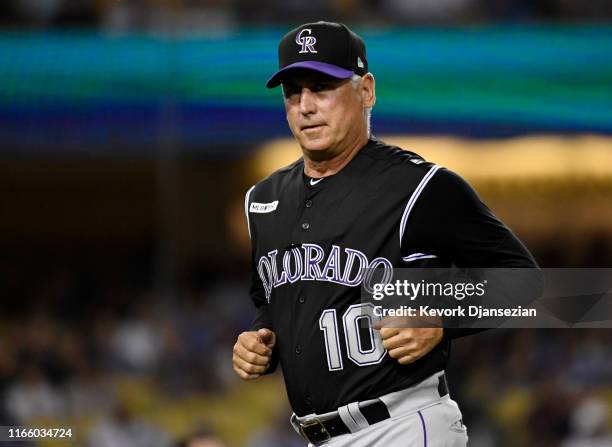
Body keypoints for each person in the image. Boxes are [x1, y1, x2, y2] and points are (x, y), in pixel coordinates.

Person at [232, 21, 538, 446]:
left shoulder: (421, 187)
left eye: (322, 87)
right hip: (316, 436)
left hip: (403, 425)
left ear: (366, 91)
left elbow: (527, 283)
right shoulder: (263, 200)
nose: (305, 106)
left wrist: (441, 320)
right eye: (293, 92)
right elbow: (270, 297)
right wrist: (259, 338)